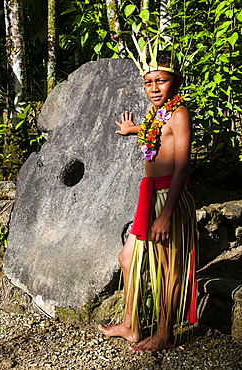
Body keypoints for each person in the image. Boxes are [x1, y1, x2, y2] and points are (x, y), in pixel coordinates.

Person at [98, 51, 197, 353]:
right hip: (149, 194)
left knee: (169, 269)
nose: (154, 88)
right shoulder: (159, 113)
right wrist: (133, 130)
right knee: (127, 258)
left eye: (161, 81)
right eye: (148, 82)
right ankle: (131, 325)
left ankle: (166, 332)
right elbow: (158, 133)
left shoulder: (179, 114)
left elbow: (181, 165)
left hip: (168, 197)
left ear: (175, 82)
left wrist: (166, 215)